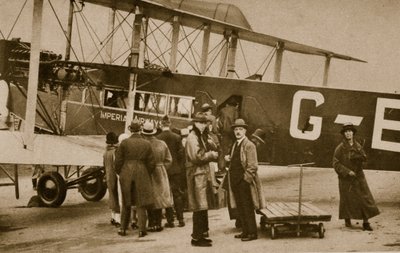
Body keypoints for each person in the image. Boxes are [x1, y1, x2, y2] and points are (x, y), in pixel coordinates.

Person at [332, 123, 380, 231]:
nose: (348, 133)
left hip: (359, 177)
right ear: (344, 134)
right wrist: (347, 172)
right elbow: (335, 163)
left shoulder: (358, 147)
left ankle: (366, 222)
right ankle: (347, 218)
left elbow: (365, 160)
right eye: (346, 132)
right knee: (347, 199)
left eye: (350, 131)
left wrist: (361, 162)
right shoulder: (339, 148)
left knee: (364, 198)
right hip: (346, 179)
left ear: (353, 133)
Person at [224, 119, 265, 241]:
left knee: (247, 207)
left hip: (243, 182)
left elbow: (253, 166)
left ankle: (252, 233)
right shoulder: (235, 144)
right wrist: (228, 159)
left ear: (245, 131)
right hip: (235, 181)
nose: (238, 132)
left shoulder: (249, 145)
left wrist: (245, 180)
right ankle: (245, 231)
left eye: (240, 129)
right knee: (240, 208)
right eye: (236, 129)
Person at [114, 119, 156, 237]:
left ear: (130, 129)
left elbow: (118, 162)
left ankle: (123, 228)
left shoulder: (124, 143)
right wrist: (146, 173)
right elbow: (152, 163)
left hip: (126, 172)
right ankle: (142, 230)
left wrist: (121, 173)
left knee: (126, 201)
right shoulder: (146, 143)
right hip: (142, 172)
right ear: (140, 129)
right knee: (141, 202)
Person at [185, 112, 219, 247]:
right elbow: (197, 157)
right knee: (199, 207)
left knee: (202, 206)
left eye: (205, 123)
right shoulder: (193, 138)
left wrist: (209, 142)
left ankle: (202, 233)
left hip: (200, 175)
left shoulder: (199, 136)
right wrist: (211, 154)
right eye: (201, 123)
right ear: (195, 123)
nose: (204, 125)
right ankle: (197, 237)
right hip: (196, 175)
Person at [142, 121, 174, 232]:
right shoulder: (162, 144)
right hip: (161, 172)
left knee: (150, 197)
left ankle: (151, 223)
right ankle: (159, 223)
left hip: (148, 172)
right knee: (160, 197)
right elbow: (169, 160)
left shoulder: (143, 144)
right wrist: (163, 168)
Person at [157, 115, 186, 228]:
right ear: (169, 124)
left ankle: (170, 221)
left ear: (161, 124)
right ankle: (181, 219)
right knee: (177, 194)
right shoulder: (177, 137)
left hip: (164, 170)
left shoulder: (158, 138)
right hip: (176, 170)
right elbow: (181, 155)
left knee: (166, 195)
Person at [217, 98, 239, 174]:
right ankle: (229, 167)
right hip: (232, 132)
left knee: (223, 150)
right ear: (235, 105)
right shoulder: (235, 111)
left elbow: (219, 122)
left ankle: (221, 168)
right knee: (232, 149)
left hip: (224, 133)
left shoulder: (222, 110)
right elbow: (236, 121)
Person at [103, 132, 121, 227]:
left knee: (112, 196)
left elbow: (104, 166)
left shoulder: (105, 153)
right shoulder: (116, 152)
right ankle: (118, 219)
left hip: (109, 176)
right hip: (115, 177)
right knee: (117, 196)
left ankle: (113, 217)